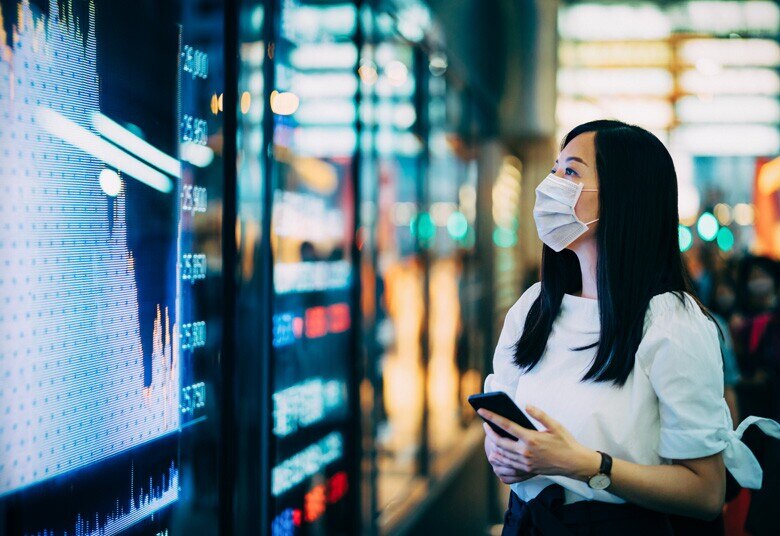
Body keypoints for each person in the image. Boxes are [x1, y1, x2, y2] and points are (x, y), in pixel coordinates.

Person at [479, 120, 780, 535]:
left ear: (622, 196)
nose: (550, 185)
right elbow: (503, 422)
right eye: (554, 170)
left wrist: (585, 465)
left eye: (571, 171)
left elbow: (707, 493)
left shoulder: (671, 321)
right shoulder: (534, 307)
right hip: (529, 522)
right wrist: (503, 451)